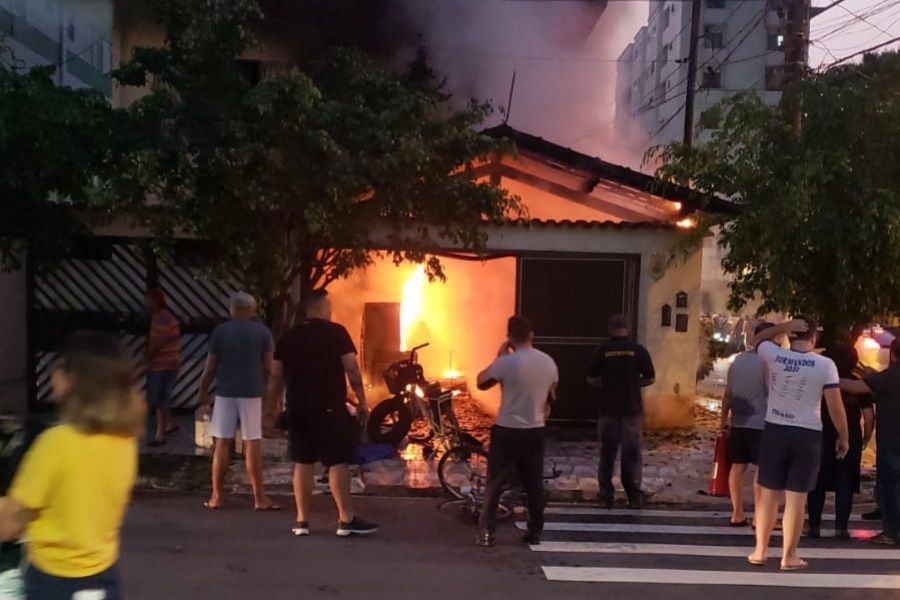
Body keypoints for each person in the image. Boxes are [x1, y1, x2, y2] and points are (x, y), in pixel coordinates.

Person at [0, 332, 143, 599]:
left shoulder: (56, 444)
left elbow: (9, 524)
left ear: (70, 380)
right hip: (103, 580)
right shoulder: (125, 441)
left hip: (53, 583)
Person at [267, 290, 377, 537]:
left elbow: (275, 376)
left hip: (297, 409)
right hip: (330, 410)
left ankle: (301, 521)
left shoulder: (289, 336)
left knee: (303, 462)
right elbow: (352, 370)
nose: (331, 310)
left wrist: (270, 408)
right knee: (337, 461)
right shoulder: (336, 333)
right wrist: (362, 402)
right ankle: (346, 520)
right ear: (320, 308)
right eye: (329, 306)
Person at [748, 317, 849, 571]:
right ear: (814, 338)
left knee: (768, 496)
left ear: (791, 336)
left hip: (775, 431)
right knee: (796, 499)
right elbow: (835, 406)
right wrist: (844, 436)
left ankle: (760, 551)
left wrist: (782, 328)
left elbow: (754, 339)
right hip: (807, 435)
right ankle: (788, 556)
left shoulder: (775, 355)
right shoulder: (825, 365)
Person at [476, 316, 558, 547]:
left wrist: (499, 357)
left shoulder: (506, 362)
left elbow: (481, 382)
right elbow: (551, 398)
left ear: (509, 337)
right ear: (532, 334)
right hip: (534, 431)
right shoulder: (548, 362)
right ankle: (535, 532)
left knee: (495, 482)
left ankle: (487, 532)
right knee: (533, 483)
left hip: (507, 430)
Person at [198, 292, 278, 511]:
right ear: (252, 310)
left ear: (233, 310)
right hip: (252, 393)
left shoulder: (220, 332)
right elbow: (270, 369)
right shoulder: (262, 332)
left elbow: (210, 367)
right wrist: (274, 399)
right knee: (252, 443)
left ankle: (216, 497)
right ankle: (259, 498)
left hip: (225, 393)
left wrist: (203, 392)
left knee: (222, 444)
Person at [807, 332, 875, 539]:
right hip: (850, 435)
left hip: (820, 434)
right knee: (844, 484)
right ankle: (840, 528)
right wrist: (866, 437)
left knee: (817, 482)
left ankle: (814, 527)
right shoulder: (857, 384)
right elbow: (869, 415)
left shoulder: (819, 381)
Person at [587, 314, 655, 509]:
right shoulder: (638, 350)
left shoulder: (603, 349)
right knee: (631, 453)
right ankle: (634, 496)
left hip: (608, 410)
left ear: (610, 329)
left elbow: (591, 378)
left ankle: (606, 496)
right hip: (631, 410)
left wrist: (606, 386)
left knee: (607, 454)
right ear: (628, 329)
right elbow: (650, 378)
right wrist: (634, 384)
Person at [839, 337, 900, 545]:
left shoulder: (886, 378)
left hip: (891, 442)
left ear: (892, 354)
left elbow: (856, 387)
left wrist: (827, 377)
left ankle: (891, 533)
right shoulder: (882, 378)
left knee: (890, 489)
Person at [720, 322, 773, 527]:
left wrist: (723, 420)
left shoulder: (738, 360)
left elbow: (727, 394)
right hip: (761, 422)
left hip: (739, 421)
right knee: (761, 470)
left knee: (737, 467)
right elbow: (771, 391)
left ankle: (737, 512)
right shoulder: (767, 363)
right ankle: (759, 516)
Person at [145, 288, 182, 446]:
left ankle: (160, 434)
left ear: (154, 301)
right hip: (170, 362)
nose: (145, 303)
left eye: (147, 300)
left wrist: (147, 356)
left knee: (159, 397)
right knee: (163, 395)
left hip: (162, 364)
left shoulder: (161, 318)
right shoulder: (164, 317)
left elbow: (158, 342)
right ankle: (170, 423)